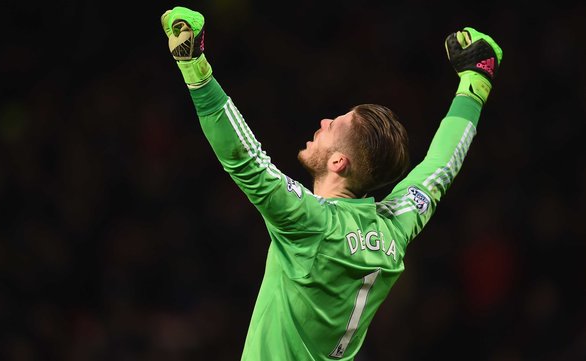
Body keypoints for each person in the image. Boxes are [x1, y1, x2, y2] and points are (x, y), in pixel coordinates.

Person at [161, 6, 503, 361]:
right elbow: (440, 166)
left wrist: (195, 67)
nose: (324, 121)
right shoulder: (393, 230)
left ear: (339, 162)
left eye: (334, 125)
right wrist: (474, 86)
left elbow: (245, 158)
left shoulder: (310, 223)